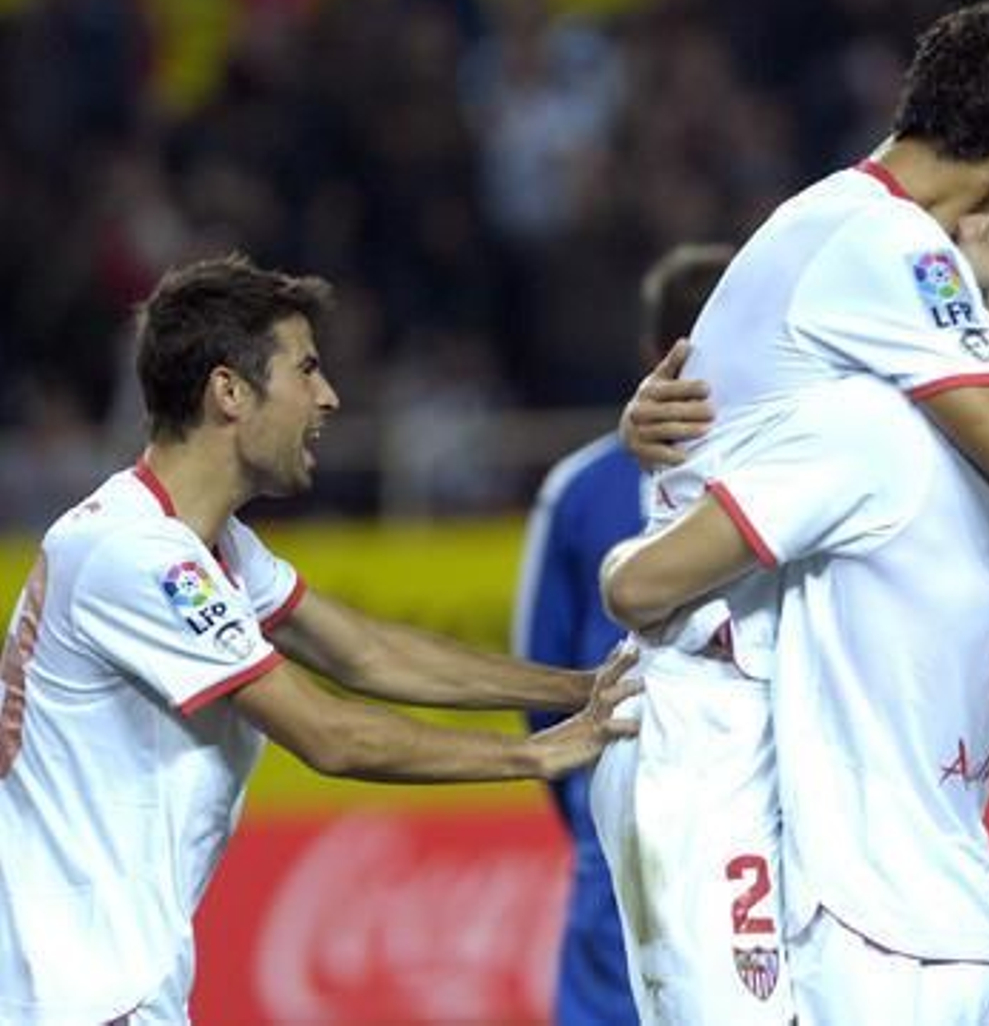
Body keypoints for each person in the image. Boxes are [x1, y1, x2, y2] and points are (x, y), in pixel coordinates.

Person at [0, 255, 639, 1025]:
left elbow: (363, 654)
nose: (329, 396)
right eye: (305, 369)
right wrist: (539, 751)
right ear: (229, 391)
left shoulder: (206, 544)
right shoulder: (139, 556)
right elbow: (329, 733)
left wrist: (583, 686)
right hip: (70, 997)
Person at [599, 186, 989, 1024]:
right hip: (966, 915)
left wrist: (665, 479)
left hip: (875, 935)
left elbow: (635, 588)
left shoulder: (878, 433)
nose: (961, 219)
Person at [510, 242, 733, 1026]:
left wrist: (579, 795)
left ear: (650, 352)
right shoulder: (788, 468)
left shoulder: (577, 488)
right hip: (746, 794)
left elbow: (536, 664)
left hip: (623, 788)